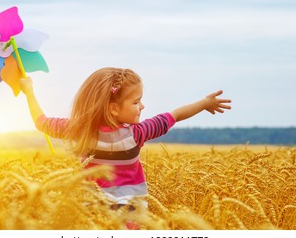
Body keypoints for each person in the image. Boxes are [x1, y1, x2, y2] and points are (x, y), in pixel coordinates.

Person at [19, 67, 231, 210]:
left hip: (91, 212)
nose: (142, 106)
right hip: (132, 213)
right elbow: (175, 115)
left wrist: (29, 92)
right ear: (113, 108)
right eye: (136, 102)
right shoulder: (137, 133)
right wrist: (204, 103)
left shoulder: (79, 130)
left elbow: (41, 122)